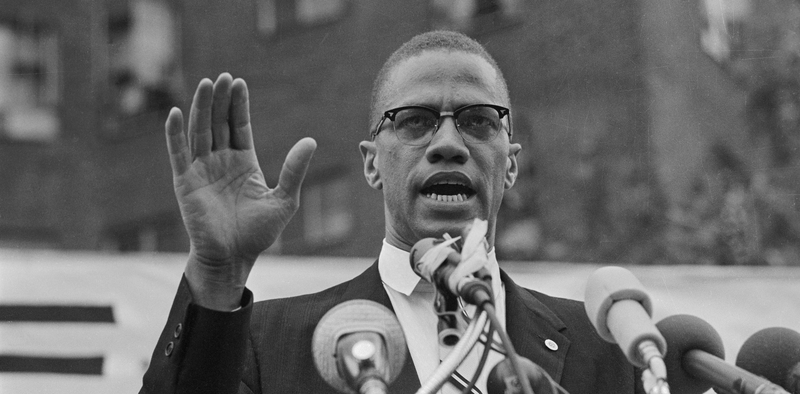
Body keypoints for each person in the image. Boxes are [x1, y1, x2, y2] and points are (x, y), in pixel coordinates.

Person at [139, 31, 640, 394]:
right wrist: (217, 274)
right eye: (415, 121)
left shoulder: (608, 351)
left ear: (510, 165)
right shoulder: (267, 346)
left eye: (479, 121)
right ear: (372, 163)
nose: (448, 144)